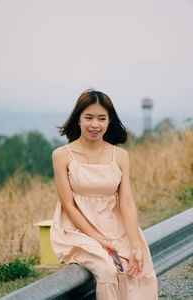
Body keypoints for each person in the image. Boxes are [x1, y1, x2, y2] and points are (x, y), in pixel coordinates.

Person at [50, 89, 158, 300]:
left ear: (109, 121)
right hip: (77, 231)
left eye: (102, 118)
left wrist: (136, 244)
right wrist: (99, 239)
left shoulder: (120, 156)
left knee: (136, 269)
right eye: (88, 117)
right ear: (78, 119)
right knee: (107, 269)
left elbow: (126, 203)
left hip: (115, 227)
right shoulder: (62, 156)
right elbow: (69, 206)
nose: (95, 125)